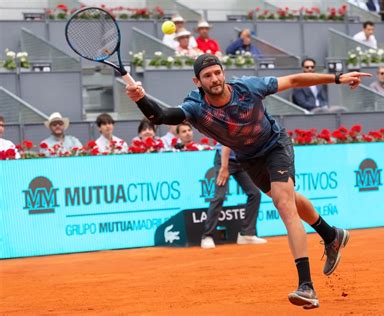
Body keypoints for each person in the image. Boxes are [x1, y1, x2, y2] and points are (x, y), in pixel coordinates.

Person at [125, 53, 371, 308]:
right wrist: (140, 99)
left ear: (223, 72)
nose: (215, 78)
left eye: (217, 72)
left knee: (284, 205)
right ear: (197, 81)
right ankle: (331, 234)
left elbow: (295, 80)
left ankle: (306, 286)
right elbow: (162, 116)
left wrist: (337, 78)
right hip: (249, 159)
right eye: (207, 76)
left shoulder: (249, 88)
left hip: (275, 146)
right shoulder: (195, 108)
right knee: (289, 199)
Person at [201, 144, 266, 249]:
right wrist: (224, 167)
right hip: (224, 159)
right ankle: (207, 236)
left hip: (241, 160)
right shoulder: (235, 127)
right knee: (219, 196)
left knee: (255, 193)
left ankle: (247, 234)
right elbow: (227, 143)